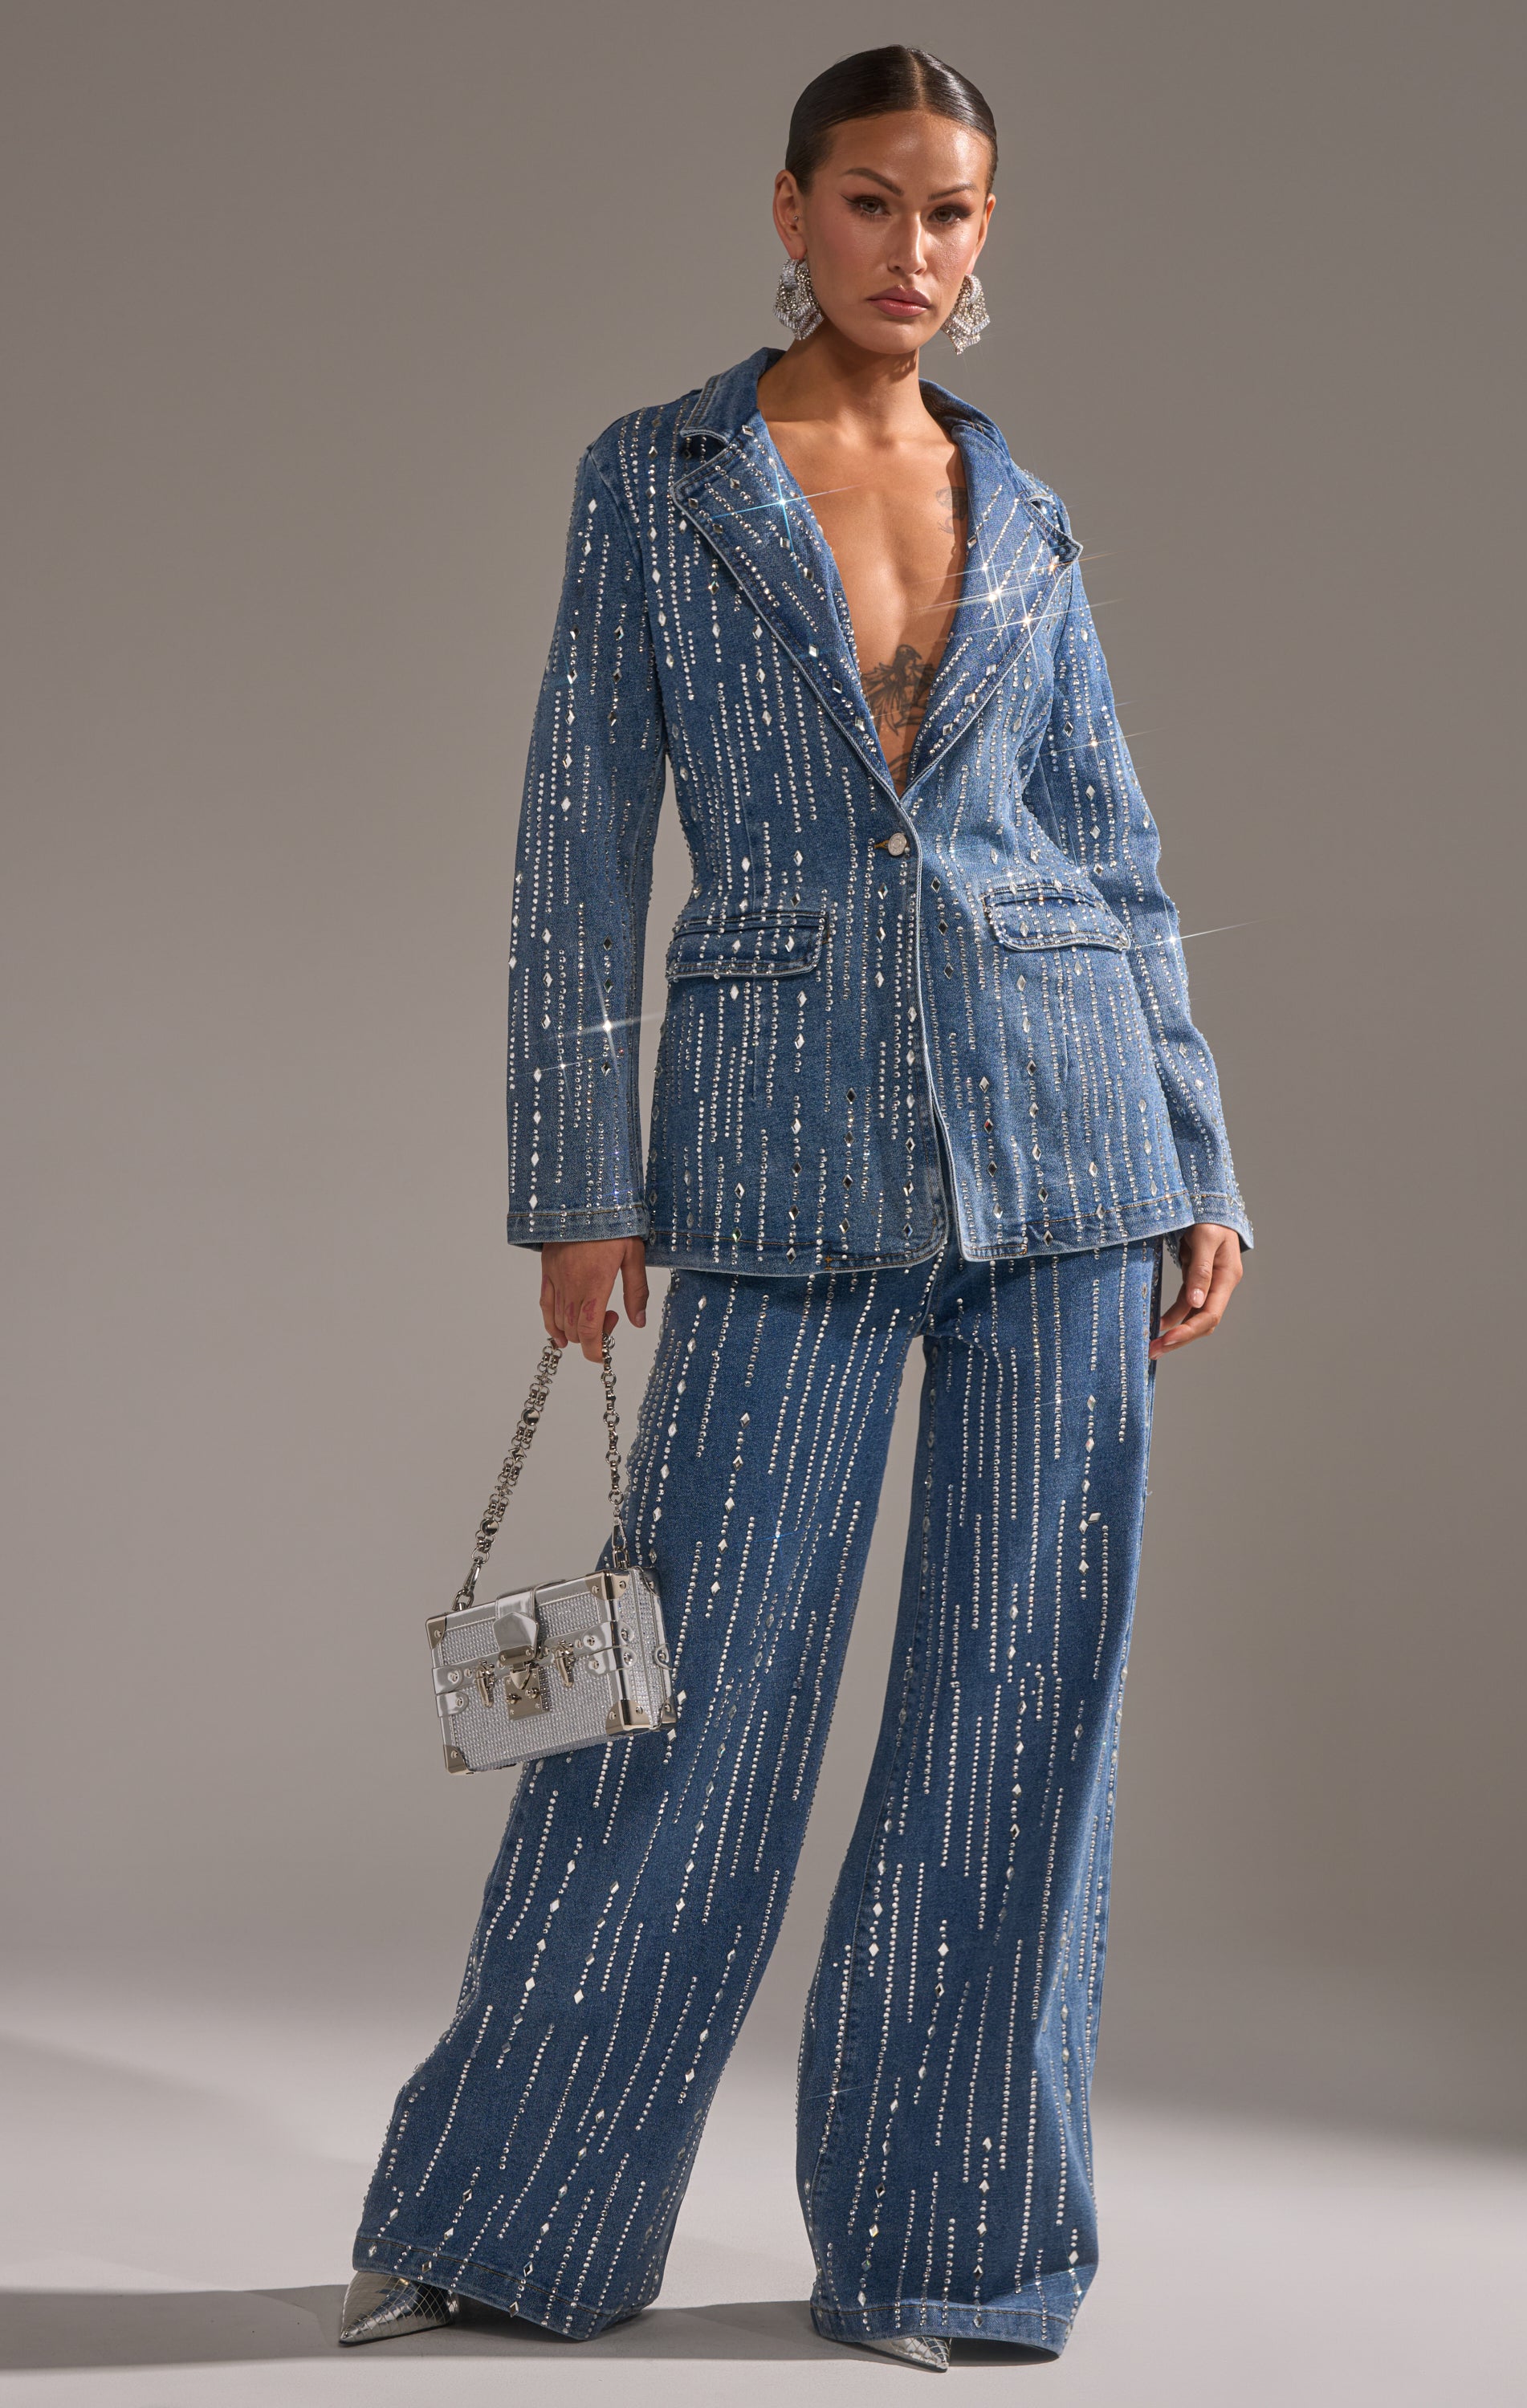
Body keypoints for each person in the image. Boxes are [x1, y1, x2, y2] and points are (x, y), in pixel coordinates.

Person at [340, 43, 1252, 2371]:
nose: (915, 255)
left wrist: (1198, 1151)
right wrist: (579, 1178)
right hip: (766, 1162)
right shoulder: (656, 482)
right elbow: (574, 844)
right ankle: (511, 2230)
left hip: (1066, 1159)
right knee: (680, 1719)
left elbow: (1111, 853)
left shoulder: (1027, 511)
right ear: (790, 209)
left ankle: (952, 2257)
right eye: (874, 207)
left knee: (1019, 1725)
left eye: (952, 217)